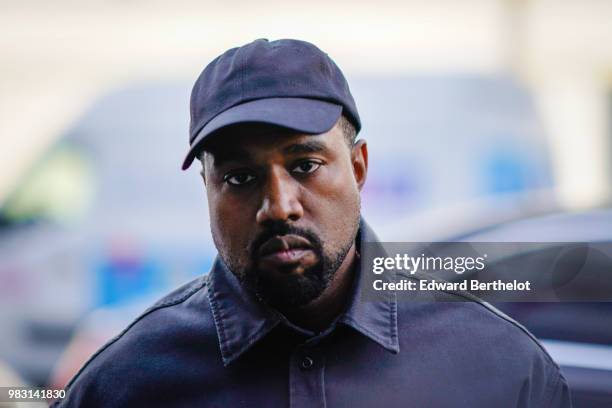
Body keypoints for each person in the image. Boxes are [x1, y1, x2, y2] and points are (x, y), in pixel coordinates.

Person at [54, 38, 571, 407]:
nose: (278, 207)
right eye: (239, 177)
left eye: (304, 165)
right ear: (207, 190)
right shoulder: (126, 383)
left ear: (360, 168)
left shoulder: (500, 366)